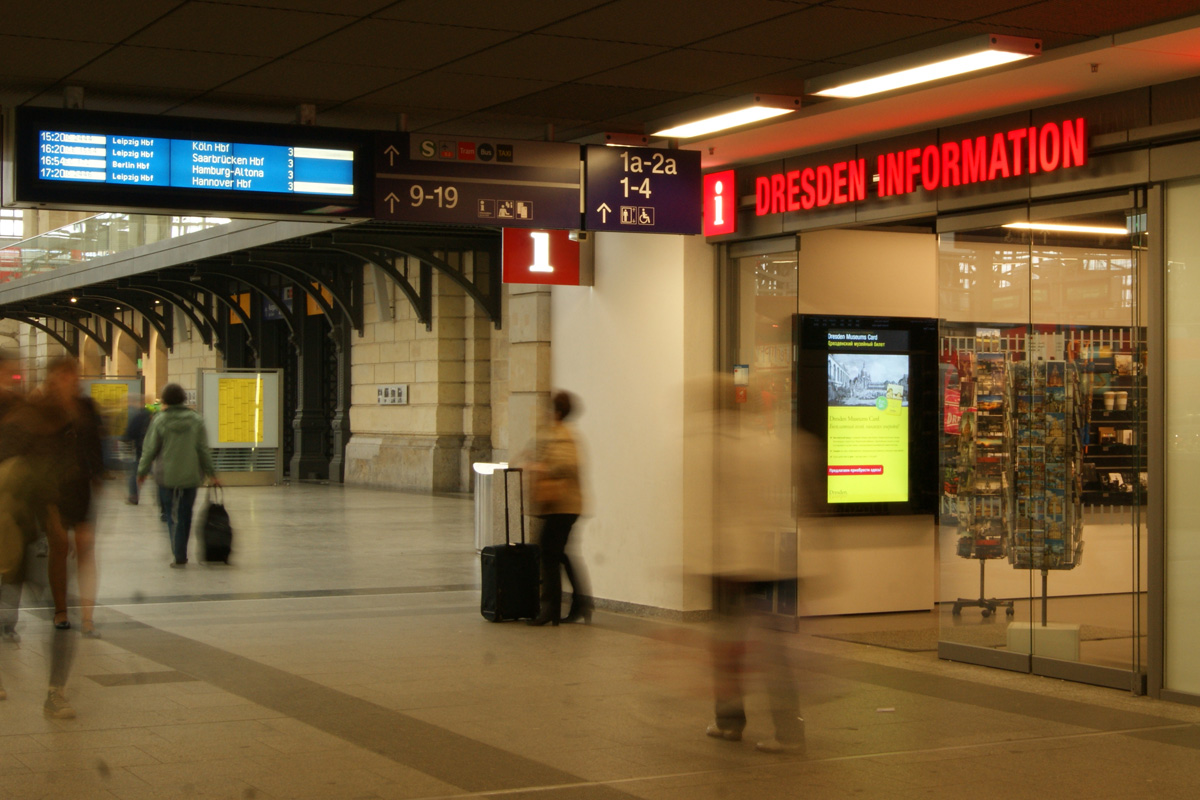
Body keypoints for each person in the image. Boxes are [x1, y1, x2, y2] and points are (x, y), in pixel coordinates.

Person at [32, 356, 105, 637]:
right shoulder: (43, 408)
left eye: (73, 375)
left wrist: (98, 474)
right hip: (53, 488)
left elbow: (95, 442)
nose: (72, 380)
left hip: (82, 485)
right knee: (59, 546)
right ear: (52, 379)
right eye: (64, 375)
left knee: (85, 547)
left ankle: (88, 616)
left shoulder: (86, 406)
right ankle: (60, 610)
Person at [527, 390, 591, 627]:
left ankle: (551, 608)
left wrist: (542, 467)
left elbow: (568, 464)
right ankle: (581, 603)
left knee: (548, 553)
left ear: (557, 412)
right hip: (563, 505)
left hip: (563, 505)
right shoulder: (558, 433)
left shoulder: (562, 435)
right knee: (559, 553)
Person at [138, 383, 219, 567]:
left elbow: (149, 450)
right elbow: (203, 450)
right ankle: (181, 551)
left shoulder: (159, 420)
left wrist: (142, 471)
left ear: (165, 400)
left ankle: (178, 553)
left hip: (165, 477)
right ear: (183, 399)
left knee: (170, 515)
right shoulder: (196, 420)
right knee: (185, 513)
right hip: (190, 476)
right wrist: (211, 474)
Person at [123, 401, 155, 505]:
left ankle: (133, 496)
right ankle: (162, 502)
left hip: (141, 450)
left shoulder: (137, 417)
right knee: (158, 474)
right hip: (156, 451)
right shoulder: (154, 418)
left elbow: (129, 433)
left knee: (135, 473)